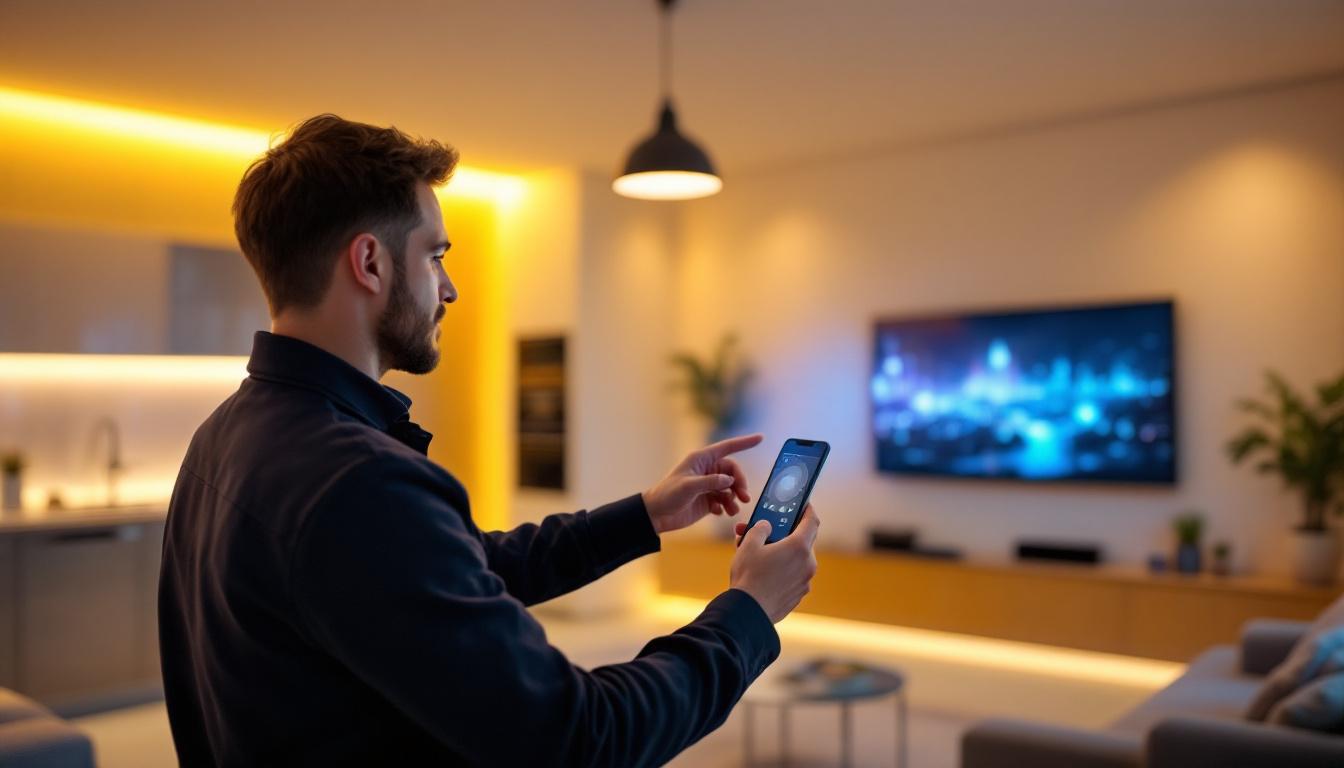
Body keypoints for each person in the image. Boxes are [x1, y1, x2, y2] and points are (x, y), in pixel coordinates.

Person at [158, 113, 820, 767]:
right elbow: (582, 738)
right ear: (369, 262)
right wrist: (750, 611)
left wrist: (644, 515)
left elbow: (449, 573)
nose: (449, 288)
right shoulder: (358, 480)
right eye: (435, 255)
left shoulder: (221, 436)